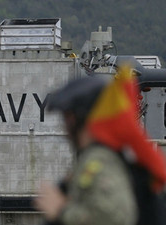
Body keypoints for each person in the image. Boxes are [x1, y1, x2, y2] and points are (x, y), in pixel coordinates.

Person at [35, 65, 166, 225]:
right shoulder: (109, 157)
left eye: (67, 117)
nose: (64, 127)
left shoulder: (99, 161)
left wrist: (61, 211)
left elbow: (113, 218)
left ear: (76, 119)